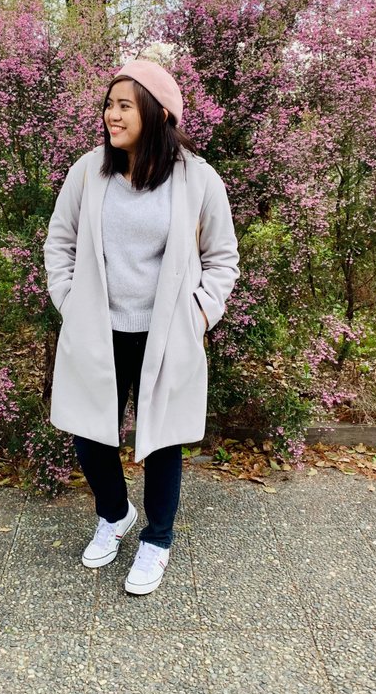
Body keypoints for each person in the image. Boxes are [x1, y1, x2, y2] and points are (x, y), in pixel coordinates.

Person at [43, 59, 239, 595]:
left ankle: (157, 540)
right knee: (90, 437)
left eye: (124, 105)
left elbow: (222, 258)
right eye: (108, 104)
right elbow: (59, 243)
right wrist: (70, 300)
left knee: (162, 441)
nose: (111, 114)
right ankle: (115, 514)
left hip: (165, 334)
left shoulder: (197, 178)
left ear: (156, 112)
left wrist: (199, 315)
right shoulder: (89, 171)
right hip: (98, 329)